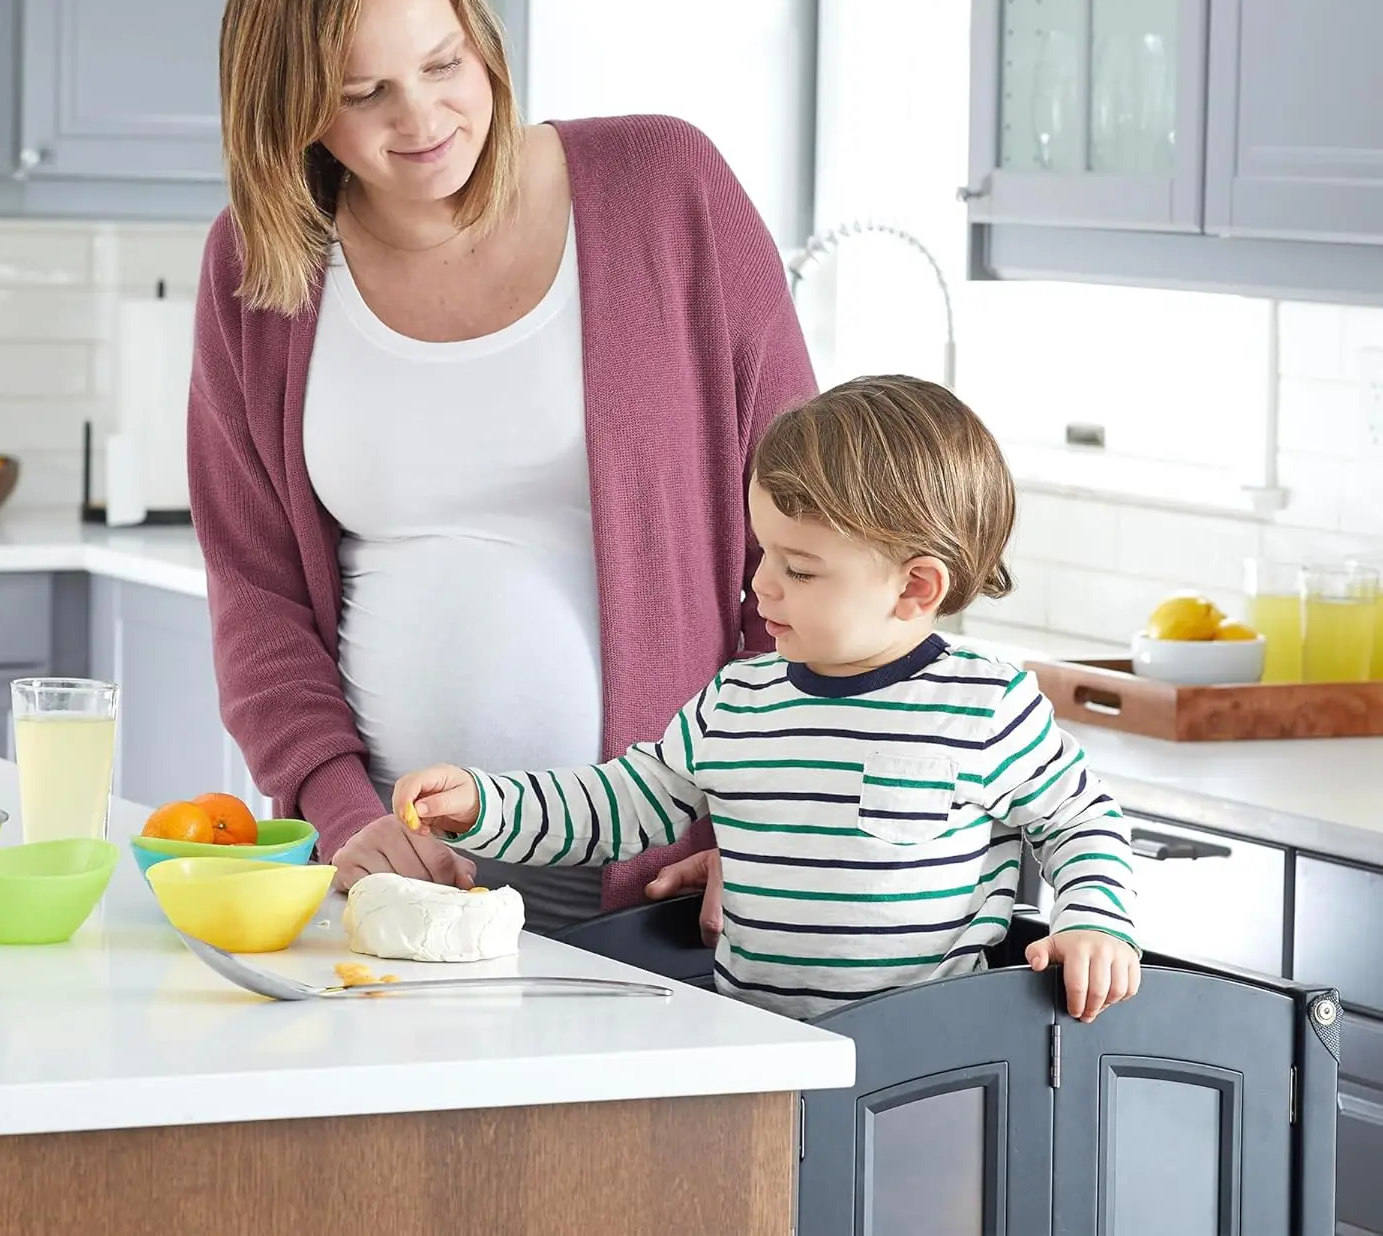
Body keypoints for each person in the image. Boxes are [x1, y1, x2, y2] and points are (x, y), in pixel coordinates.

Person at [187, 0, 815, 934]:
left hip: (660, 885)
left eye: (443, 61)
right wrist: (339, 811)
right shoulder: (263, 269)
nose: (423, 115)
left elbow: (821, 535)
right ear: (292, 109)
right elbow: (256, 594)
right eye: (361, 91)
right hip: (398, 892)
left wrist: (766, 825)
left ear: (480, 27)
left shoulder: (665, 191)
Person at [391, 376, 1141, 1022]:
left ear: (915, 587)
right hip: (760, 1049)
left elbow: (1081, 821)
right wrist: (486, 808)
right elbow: (617, 805)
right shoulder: (738, 702)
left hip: (924, 1070)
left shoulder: (986, 705)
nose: (762, 586)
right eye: (764, 554)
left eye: (801, 570)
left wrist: (1096, 923)